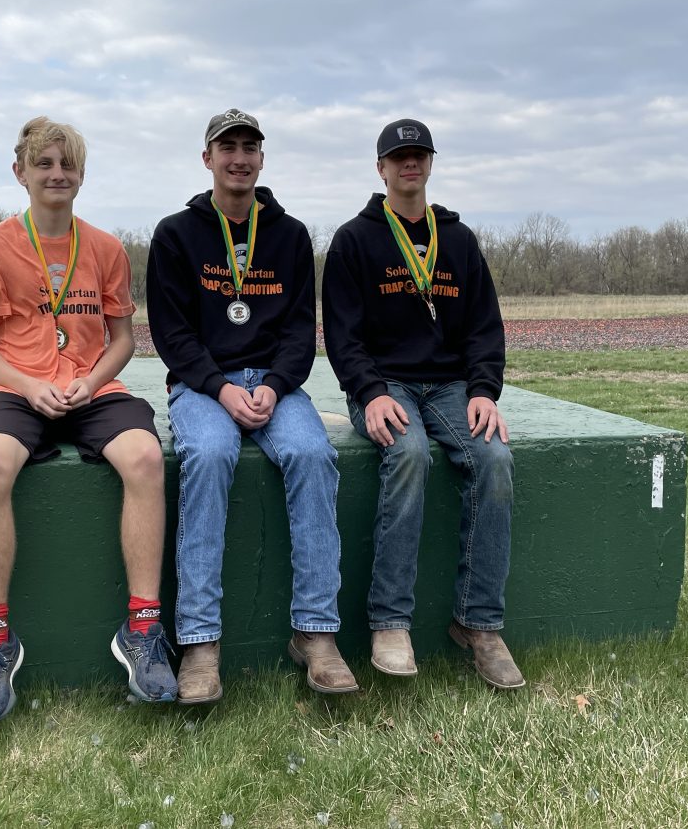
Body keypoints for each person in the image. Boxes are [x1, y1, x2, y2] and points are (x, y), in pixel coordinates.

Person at [0, 116, 178, 725]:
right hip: (15, 387)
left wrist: (92, 380)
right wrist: (30, 386)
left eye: (68, 164)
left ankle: (142, 628)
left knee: (145, 457)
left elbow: (124, 339)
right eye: (45, 163)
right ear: (20, 172)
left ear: (82, 174)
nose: (58, 174)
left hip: (91, 389)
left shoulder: (104, 247)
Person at [146, 108, 357, 703]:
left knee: (312, 453)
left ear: (262, 159)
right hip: (203, 385)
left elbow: (298, 328)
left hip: (274, 383)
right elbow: (172, 332)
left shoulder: (289, 236)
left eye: (250, 146)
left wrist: (274, 383)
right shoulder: (175, 234)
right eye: (227, 146)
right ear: (207, 158)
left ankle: (316, 635)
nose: (239, 157)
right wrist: (220, 387)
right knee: (209, 455)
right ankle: (200, 645)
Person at [322, 117, 525, 690]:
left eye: (419, 154)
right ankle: (390, 622)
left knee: (495, 460)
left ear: (430, 163)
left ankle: (479, 624)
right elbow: (342, 334)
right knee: (408, 453)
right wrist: (369, 392)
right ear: (381, 168)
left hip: (452, 388)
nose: (409, 164)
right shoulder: (355, 240)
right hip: (384, 386)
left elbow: (485, 327)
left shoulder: (457, 240)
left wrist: (484, 391)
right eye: (398, 156)